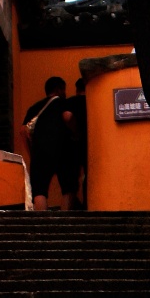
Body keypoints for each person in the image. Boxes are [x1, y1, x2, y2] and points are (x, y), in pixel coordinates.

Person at [20, 76, 80, 212]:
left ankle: (43, 224)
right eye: (63, 89)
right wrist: (76, 133)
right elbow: (68, 117)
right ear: (59, 89)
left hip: (40, 151)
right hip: (64, 149)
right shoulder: (63, 103)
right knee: (68, 187)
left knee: (39, 190)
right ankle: (64, 222)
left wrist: (32, 153)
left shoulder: (34, 108)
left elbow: (23, 131)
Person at [65, 77, 88, 209]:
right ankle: (88, 204)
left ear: (77, 89)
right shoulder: (95, 100)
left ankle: (70, 207)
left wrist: (75, 130)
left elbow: (67, 116)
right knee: (89, 175)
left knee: (72, 178)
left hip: (72, 143)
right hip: (91, 143)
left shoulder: (71, 102)